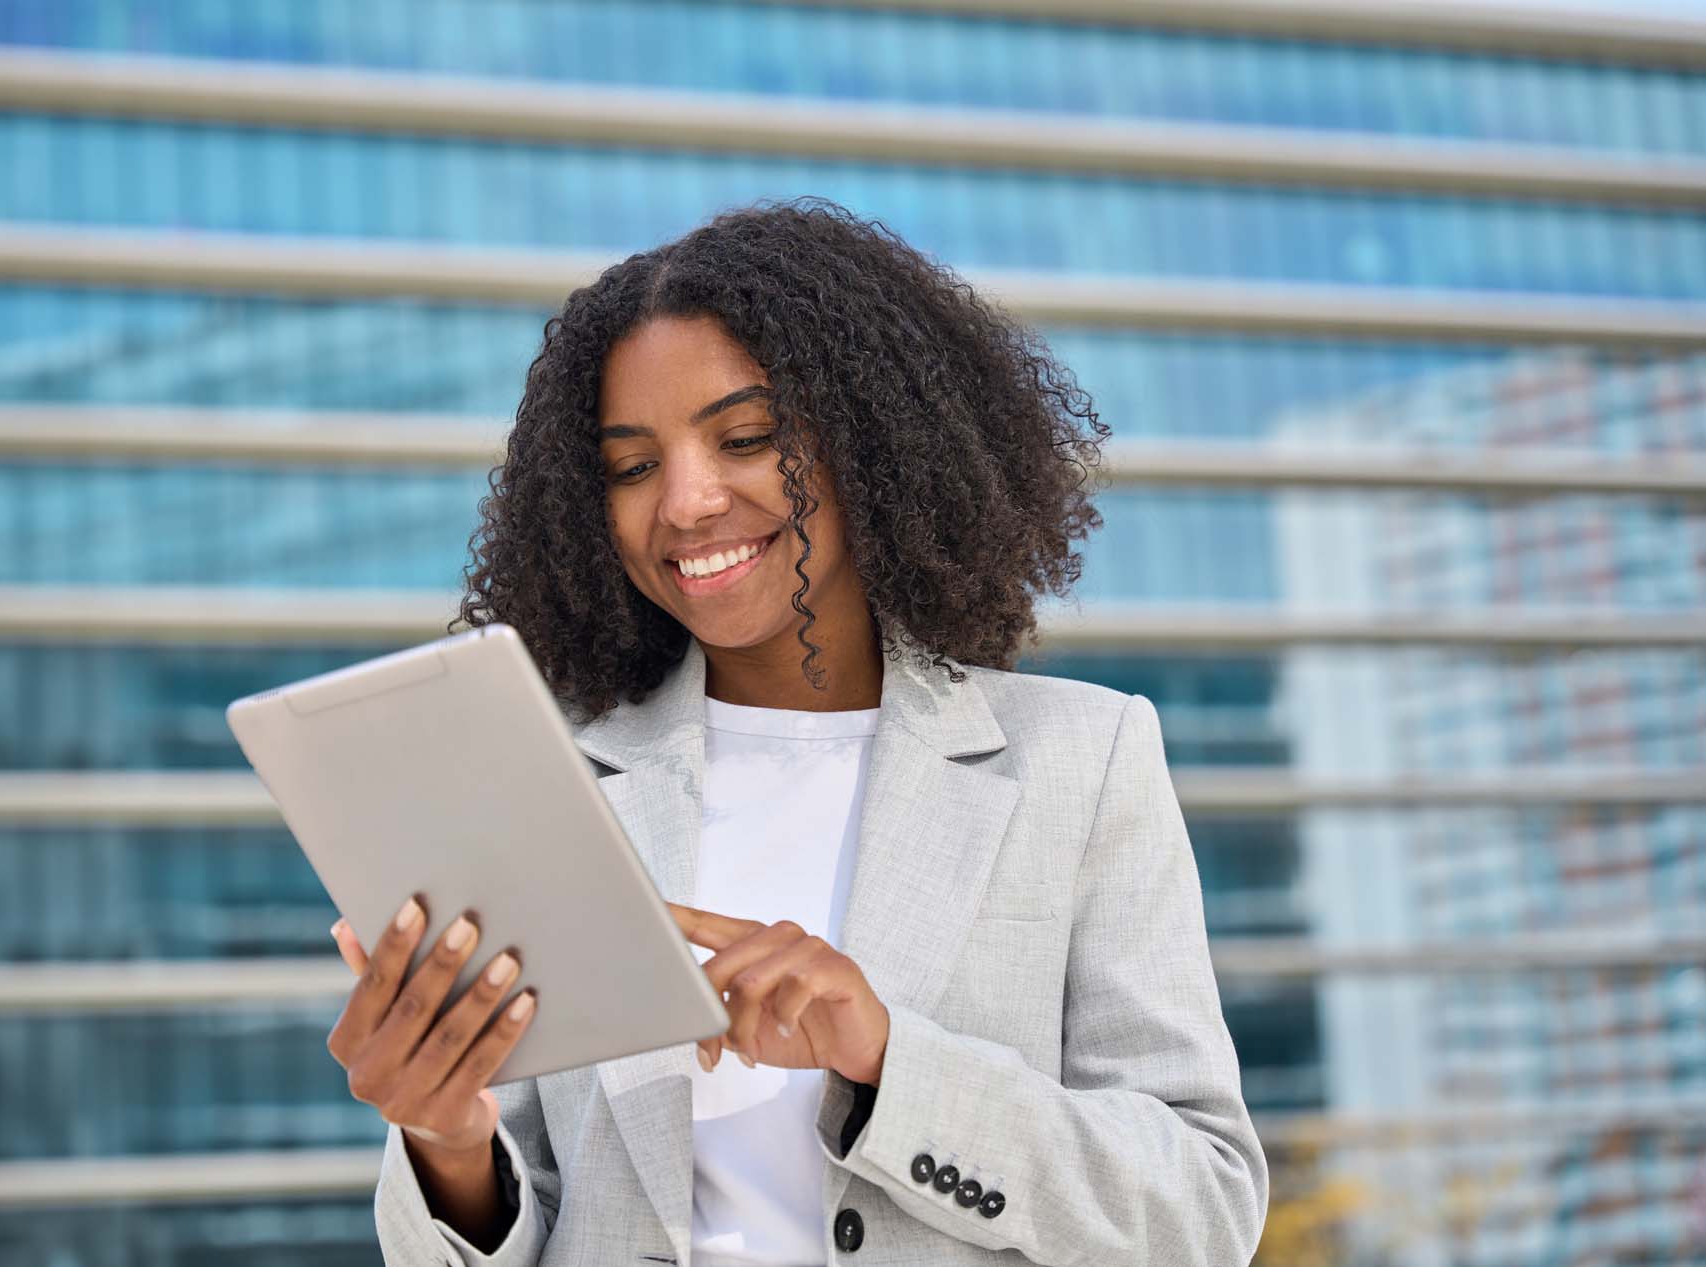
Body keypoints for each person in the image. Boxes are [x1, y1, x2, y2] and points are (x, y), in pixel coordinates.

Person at [326, 198, 1269, 1266]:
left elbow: (1202, 1210)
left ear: (872, 441)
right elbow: (534, 1216)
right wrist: (446, 1142)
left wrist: (888, 1063)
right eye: (631, 466)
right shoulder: (558, 788)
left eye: (746, 437)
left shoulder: (1082, 763)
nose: (684, 502)